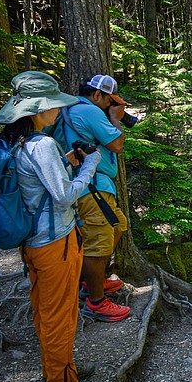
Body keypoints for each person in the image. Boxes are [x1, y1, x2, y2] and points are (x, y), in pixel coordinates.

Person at [0, 71, 107, 382]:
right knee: (59, 313)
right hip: (55, 242)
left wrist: (68, 162)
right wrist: (90, 167)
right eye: (53, 106)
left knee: (47, 311)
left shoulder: (18, 141)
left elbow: (37, 183)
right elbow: (63, 196)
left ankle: (60, 369)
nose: (58, 111)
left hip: (34, 241)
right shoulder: (42, 144)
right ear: (38, 111)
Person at [48, 73, 131, 322]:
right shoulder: (89, 111)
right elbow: (117, 144)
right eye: (109, 101)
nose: (111, 106)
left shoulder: (74, 108)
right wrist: (115, 120)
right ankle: (95, 301)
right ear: (97, 95)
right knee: (97, 242)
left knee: (118, 226)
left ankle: (94, 281)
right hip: (91, 188)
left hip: (94, 186)